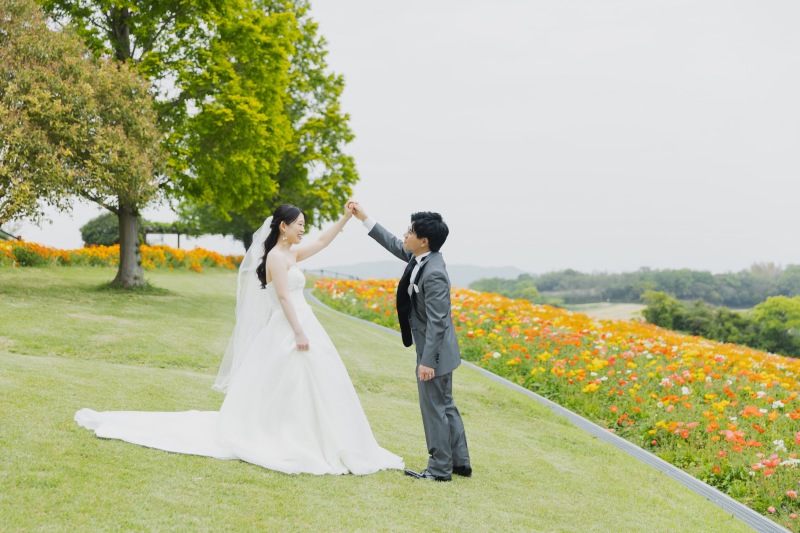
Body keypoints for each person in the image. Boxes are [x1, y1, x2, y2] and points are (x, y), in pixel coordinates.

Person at [75, 204, 404, 476]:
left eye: (304, 225)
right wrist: (299, 333)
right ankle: (286, 436)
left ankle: (320, 436)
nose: (303, 229)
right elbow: (285, 299)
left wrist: (347, 218)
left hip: (304, 322)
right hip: (290, 326)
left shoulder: (292, 252)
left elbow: (321, 244)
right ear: (283, 227)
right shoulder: (276, 256)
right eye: (299, 224)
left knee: (316, 382)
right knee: (289, 380)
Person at [348, 202, 471, 482]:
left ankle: (440, 469)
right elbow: (393, 243)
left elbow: (439, 322)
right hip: (436, 349)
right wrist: (364, 218)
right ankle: (460, 463)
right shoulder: (421, 258)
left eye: (410, 231)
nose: (405, 235)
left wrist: (427, 361)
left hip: (435, 352)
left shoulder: (435, 272)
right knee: (446, 406)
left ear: (424, 240)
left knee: (434, 410)